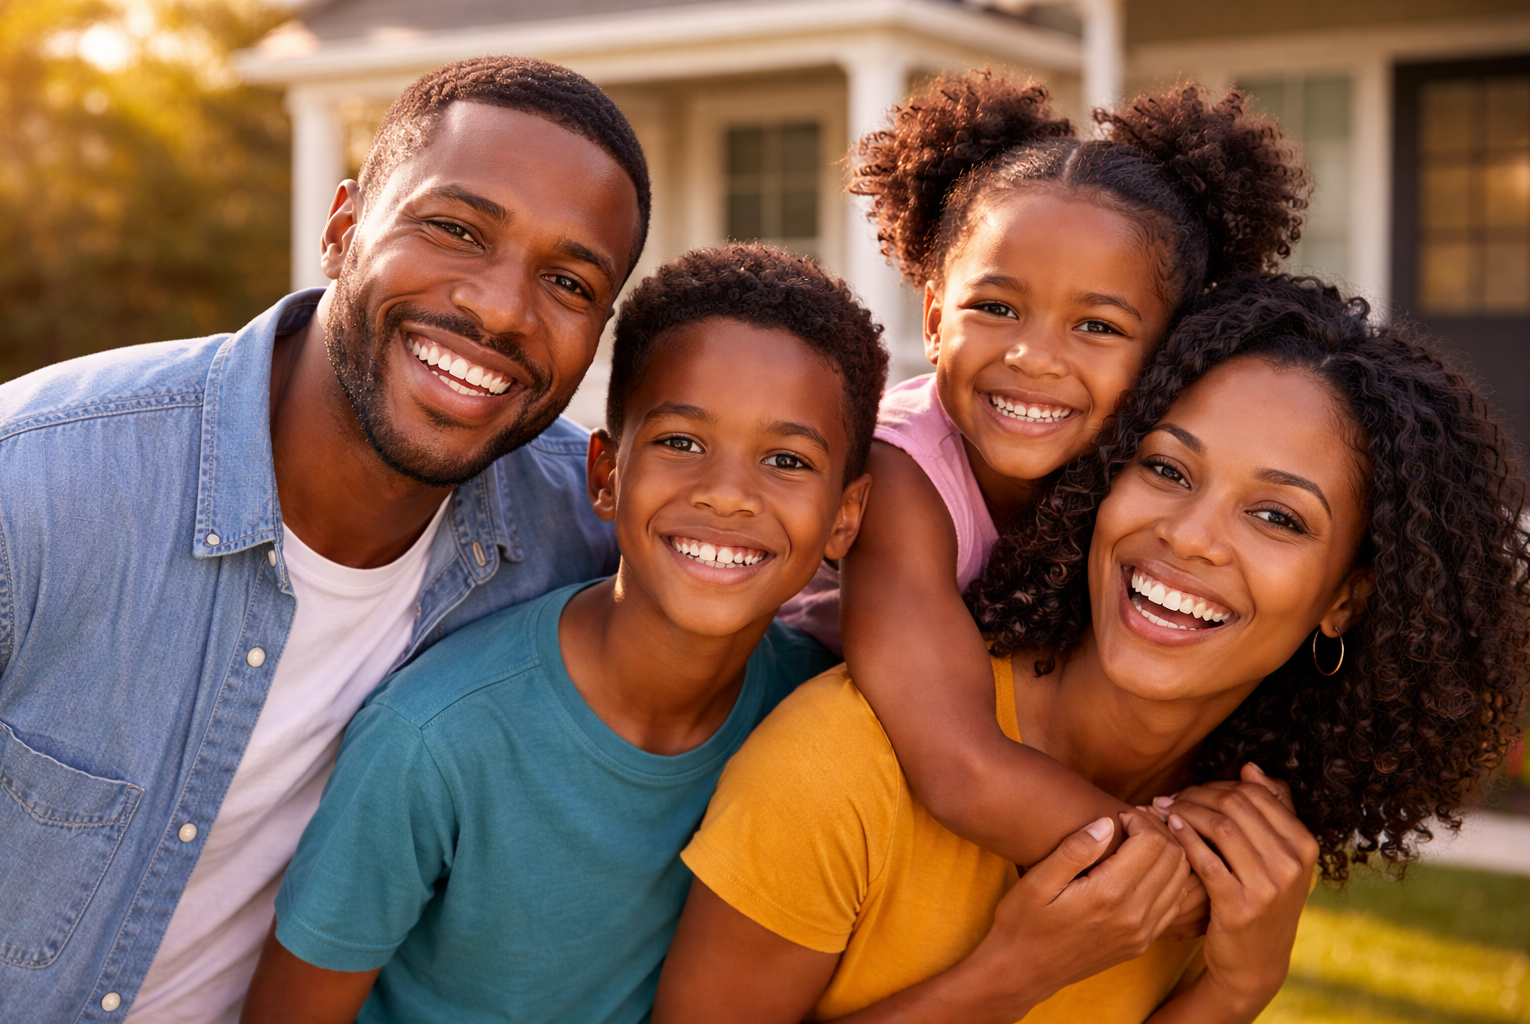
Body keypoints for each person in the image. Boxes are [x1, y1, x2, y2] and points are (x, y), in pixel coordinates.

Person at [655, 274, 1530, 1023]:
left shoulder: (1232, 854)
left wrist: (1235, 989)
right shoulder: (842, 770)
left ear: (1347, 599)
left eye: (1277, 518)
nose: (1191, 539)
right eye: (1166, 470)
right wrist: (1010, 977)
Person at [0, 56, 651, 1023]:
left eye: (568, 281)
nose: (501, 309)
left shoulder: (583, 526)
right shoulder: (37, 485)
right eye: (456, 230)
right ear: (343, 230)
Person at [238, 244, 888, 1024]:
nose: (727, 496)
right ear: (606, 475)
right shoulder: (434, 742)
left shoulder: (819, 717)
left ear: (845, 518)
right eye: (681, 443)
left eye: (786, 459)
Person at [778, 70, 1310, 866]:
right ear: (932, 318)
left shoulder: (1144, 485)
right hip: (788, 774)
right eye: (995, 308)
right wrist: (1184, 879)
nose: (1034, 357)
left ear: (1170, 352)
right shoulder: (897, 473)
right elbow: (959, 765)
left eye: (1097, 324)